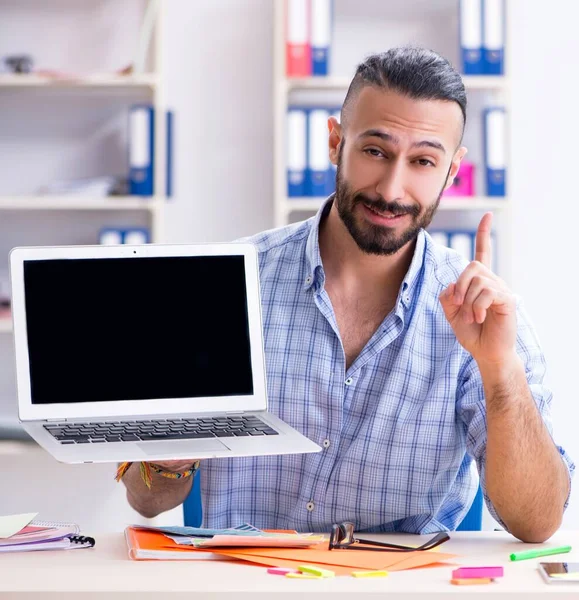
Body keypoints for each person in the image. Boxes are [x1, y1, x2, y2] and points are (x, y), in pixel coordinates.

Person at [123, 46, 573, 543]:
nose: (392, 188)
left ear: (451, 171)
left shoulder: (484, 314)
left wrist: (500, 370)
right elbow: (147, 501)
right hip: (244, 586)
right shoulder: (226, 285)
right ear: (336, 142)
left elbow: (537, 522)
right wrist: (171, 454)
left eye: (423, 160)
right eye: (375, 151)